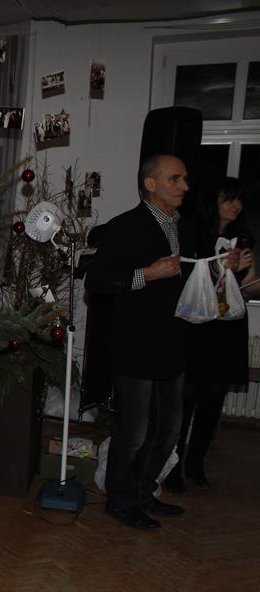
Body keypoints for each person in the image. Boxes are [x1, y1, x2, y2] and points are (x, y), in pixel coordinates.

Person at [85, 154, 192, 530]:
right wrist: (148, 273)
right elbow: (97, 281)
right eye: (175, 179)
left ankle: (144, 492)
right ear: (151, 183)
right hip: (136, 347)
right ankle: (120, 500)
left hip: (174, 345)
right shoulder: (124, 227)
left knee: (169, 429)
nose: (184, 186)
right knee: (134, 432)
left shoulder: (186, 228)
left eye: (184, 179)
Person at [167, 177, 252, 492]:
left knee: (214, 398)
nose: (236, 205)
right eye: (229, 198)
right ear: (212, 201)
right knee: (187, 397)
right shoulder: (193, 232)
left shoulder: (243, 237)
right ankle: (172, 465)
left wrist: (243, 273)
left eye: (239, 200)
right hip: (198, 323)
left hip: (227, 325)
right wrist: (221, 268)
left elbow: (247, 286)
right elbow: (187, 277)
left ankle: (196, 463)